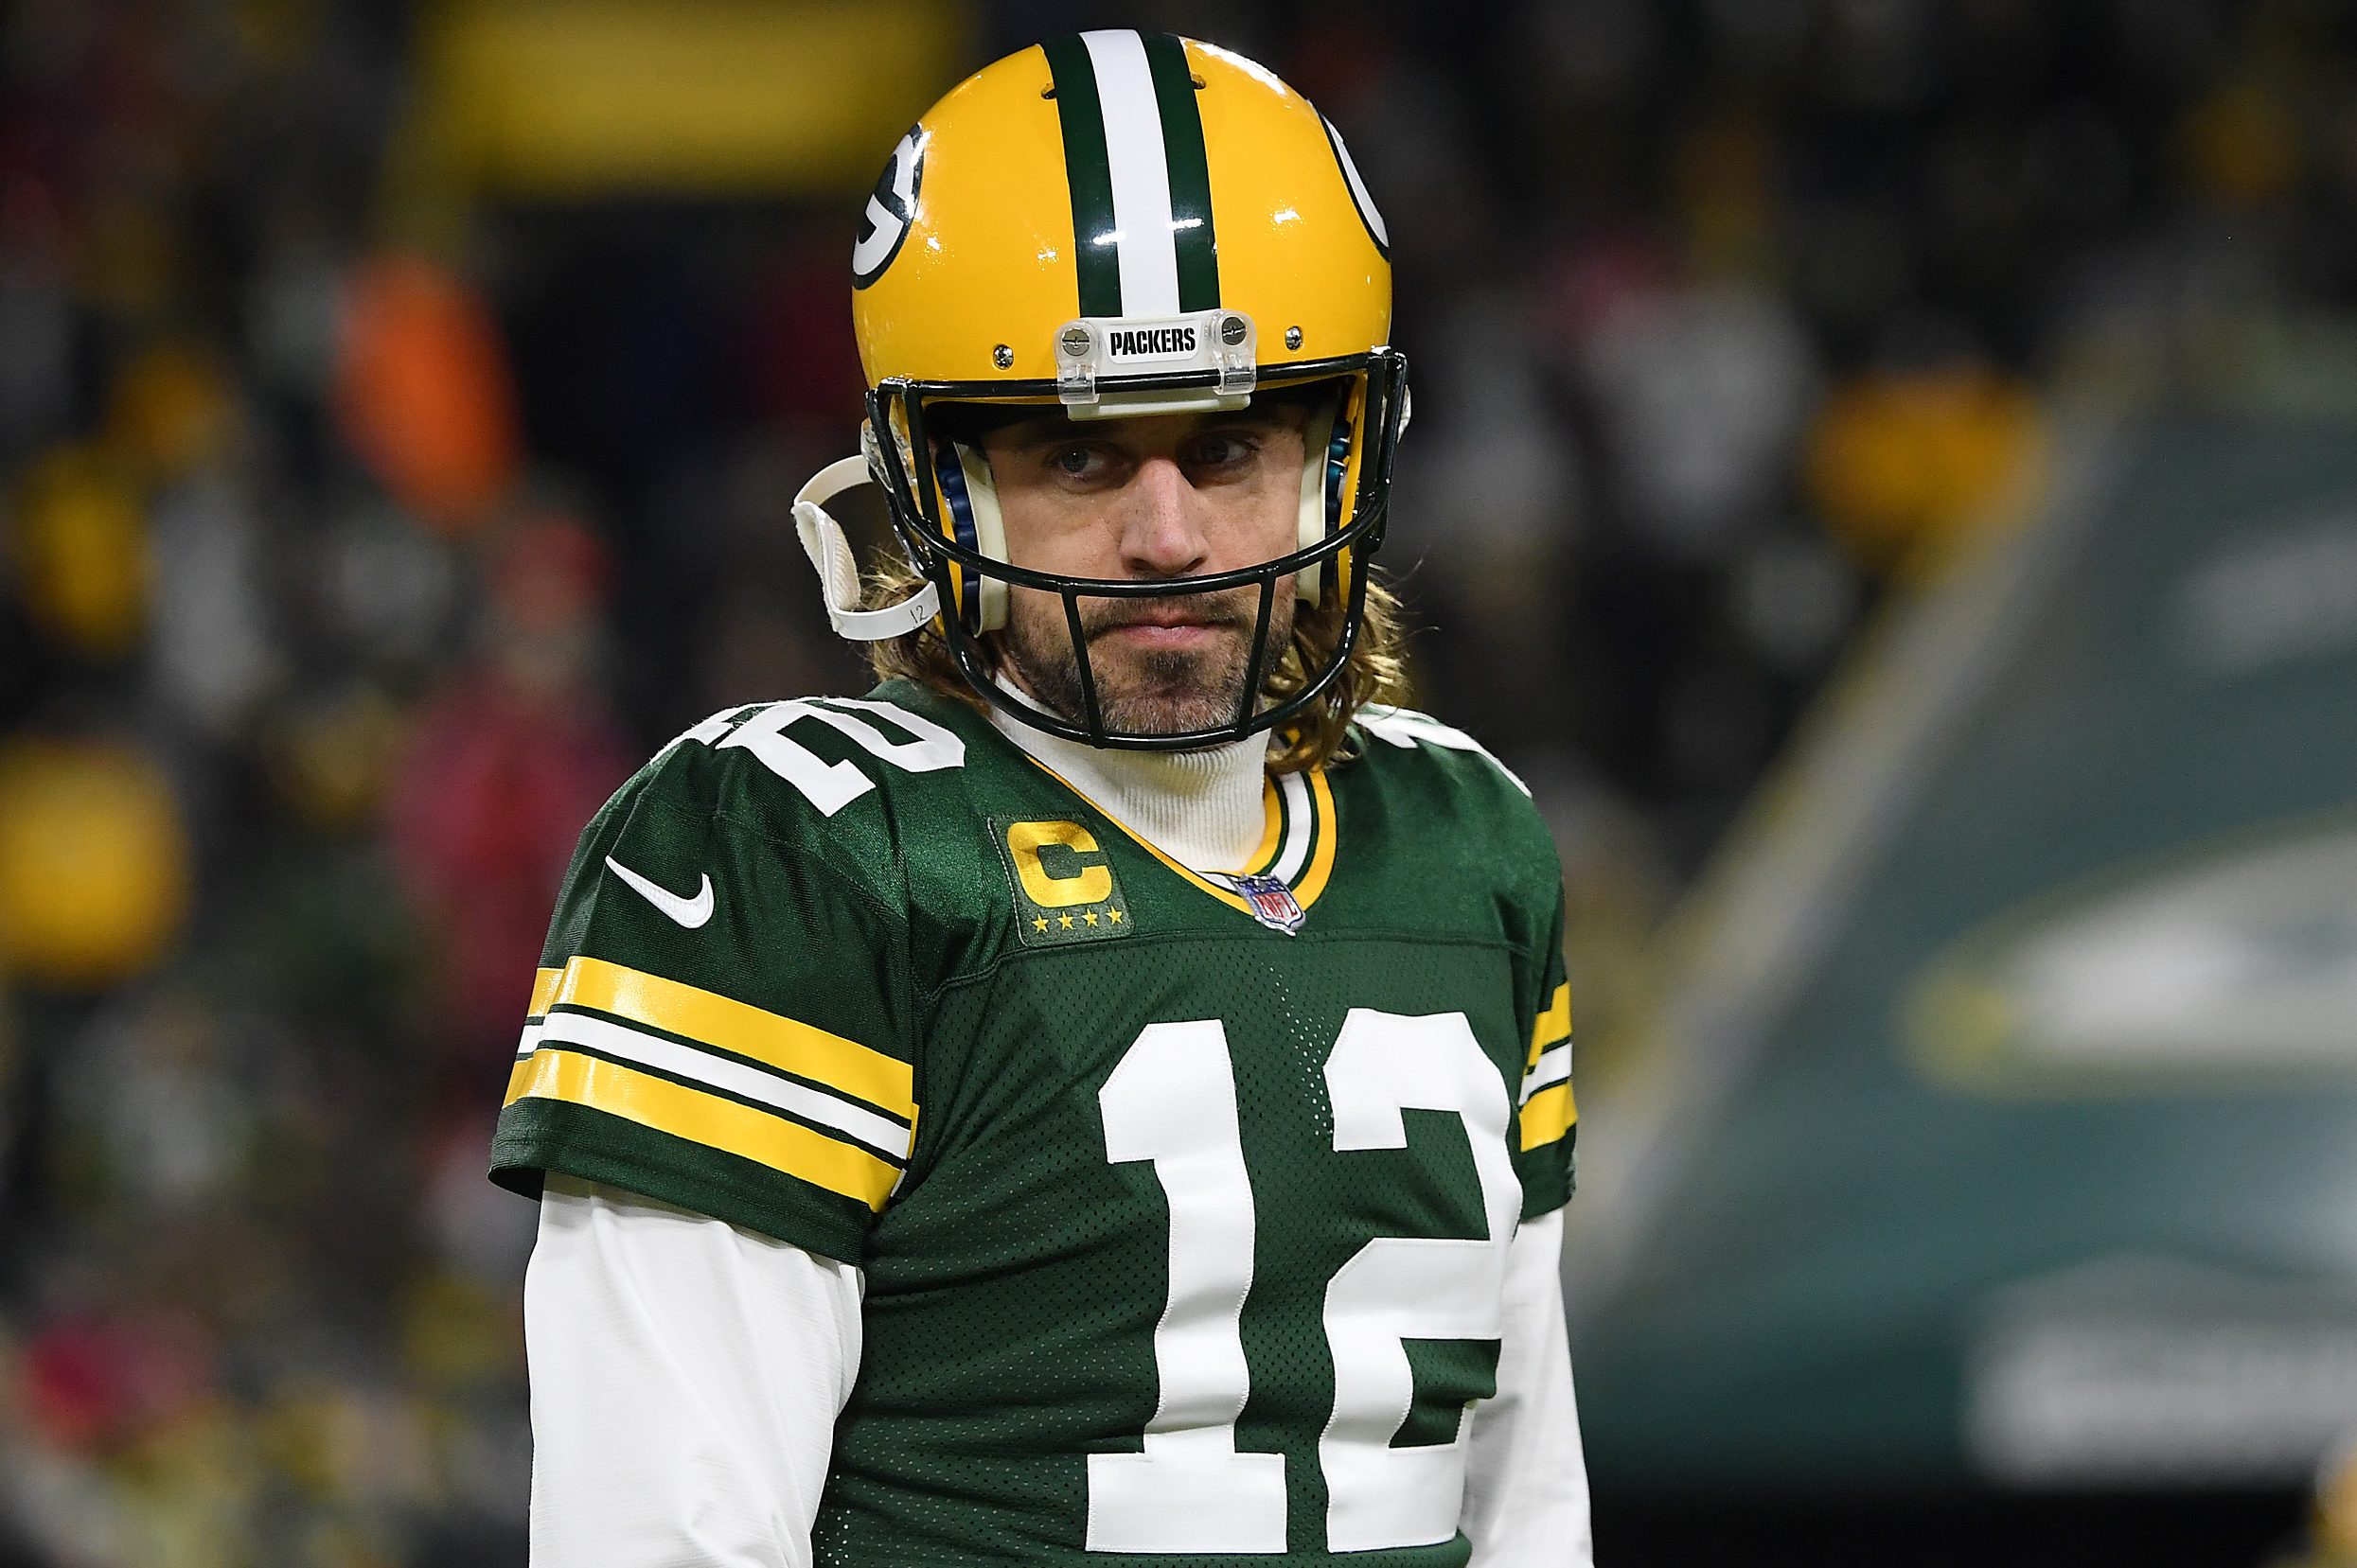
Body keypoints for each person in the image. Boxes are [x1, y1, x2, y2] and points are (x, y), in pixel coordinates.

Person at [490, 29, 1591, 1567]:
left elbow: (1524, 1499)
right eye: (1081, 460)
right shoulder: (788, 852)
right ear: (941, 484)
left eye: (1228, 446)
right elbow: (661, 1533)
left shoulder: (1464, 844)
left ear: (1341, 459)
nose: (1167, 533)